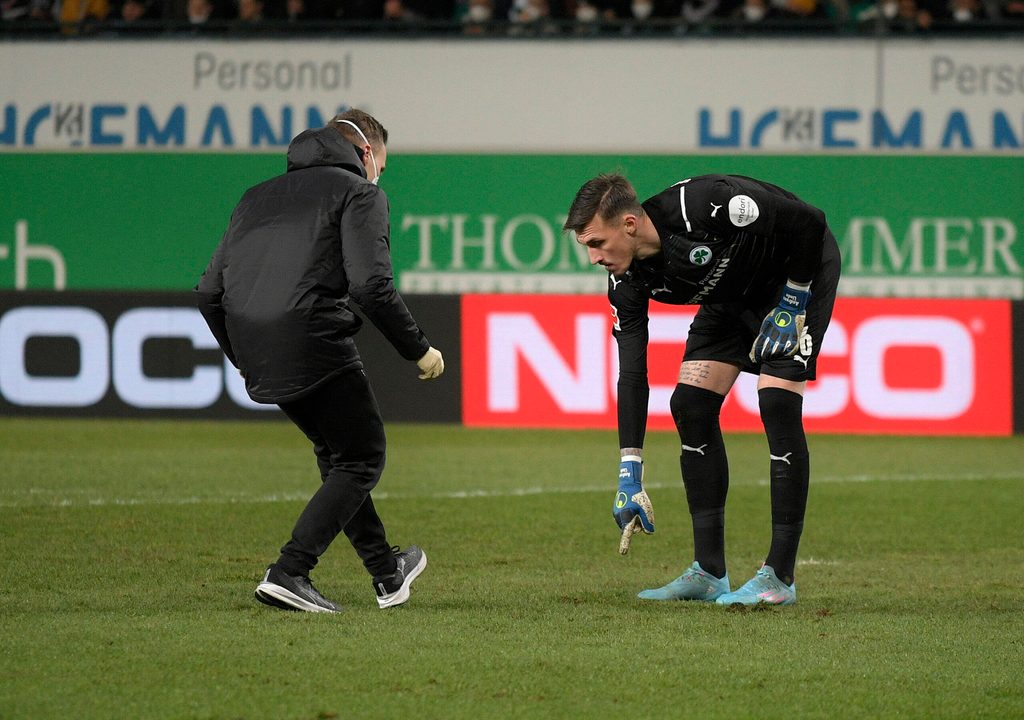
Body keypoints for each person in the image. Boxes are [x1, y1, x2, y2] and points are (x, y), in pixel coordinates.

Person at [196, 109, 445, 614]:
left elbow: (208, 294)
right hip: (314, 337)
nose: (379, 175)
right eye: (381, 164)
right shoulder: (360, 193)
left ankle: (386, 572)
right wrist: (418, 348)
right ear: (367, 153)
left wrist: (243, 357)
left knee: (338, 456)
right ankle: (290, 570)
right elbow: (370, 286)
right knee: (363, 456)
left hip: (255, 344)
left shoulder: (254, 197)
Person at [564, 172, 840, 607]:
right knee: (690, 405)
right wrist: (629, 471)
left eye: (597, 243)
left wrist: (793, 301)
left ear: (630, 225)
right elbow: (632, 371)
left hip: (794, 276)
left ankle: (780, 578)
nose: (594, 258)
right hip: (730, 294)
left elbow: (810, 221)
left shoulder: (705, 205)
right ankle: (709, 572)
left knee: (776, 402)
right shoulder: (627, 281)